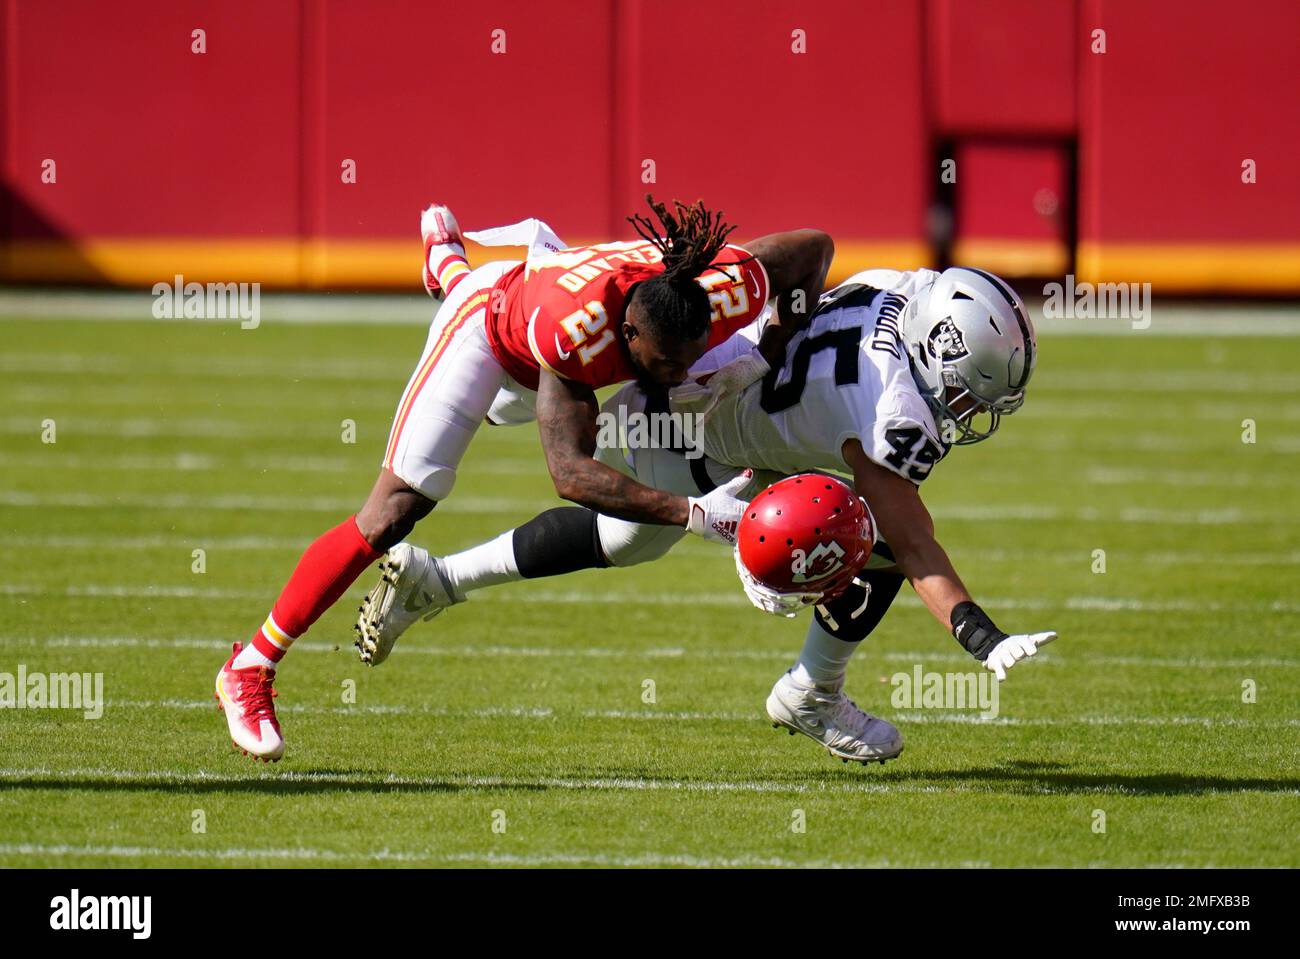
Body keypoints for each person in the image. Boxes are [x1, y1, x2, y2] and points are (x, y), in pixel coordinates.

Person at [215, 195, 835, 761]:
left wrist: (772, 346)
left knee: (684, 418)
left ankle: (447, 264)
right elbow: (569, 474)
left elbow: (814, 247)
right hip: (495, 334)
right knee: (400, 506)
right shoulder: (578, 336)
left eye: (691, 354)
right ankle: (250, 666)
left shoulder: (727, 286)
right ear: (629, 334)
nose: (677, 374)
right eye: (665, 362)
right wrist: (694, 514)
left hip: (555, 295)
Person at [356, 266, 1058, 763]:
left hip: (709, 378)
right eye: (968, 393)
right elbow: (915, 543)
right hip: (704, 436)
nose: (968, 412)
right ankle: (813, 690)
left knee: (630, 538)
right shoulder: (893, 414)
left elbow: (814, 254)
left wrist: (771, 338)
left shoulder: (901, 290)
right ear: (938, 352)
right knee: (862, 536)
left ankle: (435, 578)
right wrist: (979, 633)